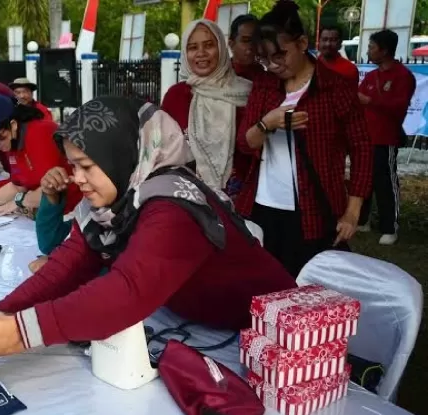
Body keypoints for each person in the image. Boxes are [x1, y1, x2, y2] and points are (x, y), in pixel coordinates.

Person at [0, 97, 297, 370]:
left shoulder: (173, 205)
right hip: (204, 325)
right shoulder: (114, 205)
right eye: (73, 166)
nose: (77, 179)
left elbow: (125, 292)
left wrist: (17, 332)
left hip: (278, 340)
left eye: (87, 166)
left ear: (123, 156)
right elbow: (65, 266)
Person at [235, 0, 372, 277]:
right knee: (265, 284)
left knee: (310, 288)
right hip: (264, 205)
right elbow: (245, 142)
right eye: (265, 58)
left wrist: (353, 211)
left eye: (280, 55)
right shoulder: (264, 85)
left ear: (302, 43)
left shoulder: (334, 88)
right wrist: (267, 123)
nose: (273, 65)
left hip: (316, 209)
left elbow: (362, 148)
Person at [161, 19, 253, 197]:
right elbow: (164, 151)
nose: (201, 53)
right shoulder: (176, 96)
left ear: (221, 48)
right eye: (193, 47)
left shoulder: (247, 92)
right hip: (189, 197)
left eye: (209, 45)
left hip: (242, 198)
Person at [0, 94, 81, 216]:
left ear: (13, 125)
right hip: (43, 212)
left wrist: (19, 202)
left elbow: (50, 188)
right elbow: (18, 186)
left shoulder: (40, 133)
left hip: (71, 210)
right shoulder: (11, 142)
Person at [358, 30, 416, 246]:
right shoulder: (372, 76)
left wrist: (370, 101)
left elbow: (399, 108)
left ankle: (390, 227)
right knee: (363, 180)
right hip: (365, 138)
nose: (368, 52)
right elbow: (359, 100)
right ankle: (363, 220)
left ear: (384, 50)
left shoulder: (403, 76)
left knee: (385, 183)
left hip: (386, 138)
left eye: (372, 47)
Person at [228, 14, 266, 81]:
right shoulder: (220, 74)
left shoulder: (267, 77)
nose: (251, 46)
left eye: (256, 40)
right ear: (231, 44)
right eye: (245, 41)